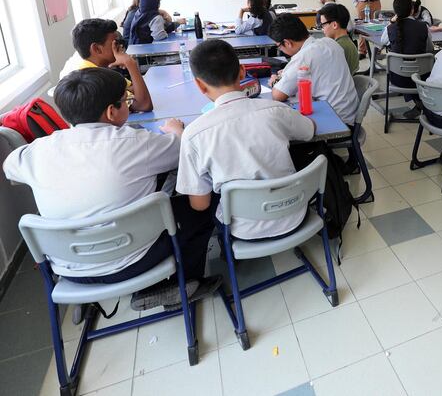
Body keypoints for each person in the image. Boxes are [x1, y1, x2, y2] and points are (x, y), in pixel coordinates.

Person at [3, 68, 220, 309]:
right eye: (125, 101)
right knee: (200, 206)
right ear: (111, 112)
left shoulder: (37, 152)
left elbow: (10, 166)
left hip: (69, 268)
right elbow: (184, 149)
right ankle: (182, 284)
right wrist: (177, 129)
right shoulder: (136, 144)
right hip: (138, 259)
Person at [176, 40, 316, 240]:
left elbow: (201, 204)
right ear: (242, 72)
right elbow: (310, 130)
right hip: (293, 214)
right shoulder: (275, 110)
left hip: (242, 229)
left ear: (199, 84)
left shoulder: (193, 135)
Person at [269, 14, 358, 126]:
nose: (280, 49)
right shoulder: (329, 42)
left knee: (279, 124)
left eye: (279, 46)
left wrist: (274, 81)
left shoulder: (303, 56)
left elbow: (278, 95)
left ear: (287, 43)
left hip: (335, 122)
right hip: (349, 115)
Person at [59, 18, 153, 112]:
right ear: (96, 49)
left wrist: (131, 90)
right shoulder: (94, 79)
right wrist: (131, 64)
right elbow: (144, 105)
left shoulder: (97, 68)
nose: (120, 47)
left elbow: (132, 88)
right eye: (115, 43)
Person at [381, 0, 434, 118]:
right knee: (424, 66)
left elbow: (383, 41)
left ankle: (419, 104)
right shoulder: (423, 27)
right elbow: (430, 49)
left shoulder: (391, 28)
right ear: (412, 9)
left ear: (395, 12)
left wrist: (391, 22)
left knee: (405, 70)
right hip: (421, 78)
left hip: (397, 78)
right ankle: (423, 104)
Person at [318, 3, 358, 75]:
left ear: (334, 25)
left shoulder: (337, 48)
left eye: (323, 25)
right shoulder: (348, 42)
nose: (322, 29)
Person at [121, 0, 185, 35]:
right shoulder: (142, 14)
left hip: (132, 46)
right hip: (135, 49)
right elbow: (160, 31)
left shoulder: (135, 11)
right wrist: (177, 23)